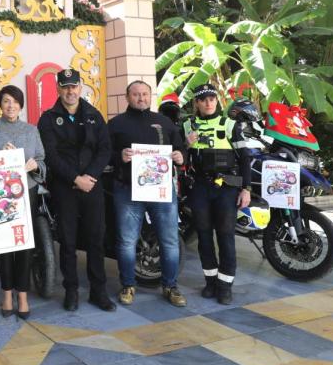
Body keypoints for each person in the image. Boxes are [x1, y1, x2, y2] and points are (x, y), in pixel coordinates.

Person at [36, 69, 115, 312]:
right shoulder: (48, 119)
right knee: (68, 242)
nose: (70, 91)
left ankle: (97, 291)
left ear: (80, 87)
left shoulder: (93, 114)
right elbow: (50, 154)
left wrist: (89, 176)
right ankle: (71, 290)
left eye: (74, 86)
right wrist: (74, 178)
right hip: (64, 187)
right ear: (58, 89)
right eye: (65, 87)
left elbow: (104, 149)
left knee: (96, 239)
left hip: (92, 185)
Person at [108, 81, 187, 307]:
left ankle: (170, 285)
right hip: (127, 190)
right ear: (127, 97)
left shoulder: (165, 123)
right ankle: (128, 285)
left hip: (161, 191)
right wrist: (118, 156)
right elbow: (103, 154)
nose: (140, 98)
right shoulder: (115, 124)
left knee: (170, 240)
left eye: (144, 94)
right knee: (126, 241)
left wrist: (181, 157)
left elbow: (180, 149)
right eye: (135, 94)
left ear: (150, 96)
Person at [0, 85, 45, 320]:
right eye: (6, 101)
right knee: (4, 246)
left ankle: (23, 295)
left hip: (27, 193)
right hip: (0, 197)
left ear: (21, 105)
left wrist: (35, 165)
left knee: (24, 244)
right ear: (0, 104)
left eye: (15, 102)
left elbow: (42, 160)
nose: (11, 106)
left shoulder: (31, 130)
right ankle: (7, 294)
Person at [183, 83, 252, 304]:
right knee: (203, 236)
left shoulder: (230, 125)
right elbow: (178, 159)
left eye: (211, 98)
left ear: (217, 100)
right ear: (197, 103)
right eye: (203, 99)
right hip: (200, 188)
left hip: (226, 188)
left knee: (225, 236)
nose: (208, 102)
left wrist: (246, 189)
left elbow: (245, 159)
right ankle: (210, 282)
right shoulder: (187, 126)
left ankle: (225, 286)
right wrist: (186, 145)